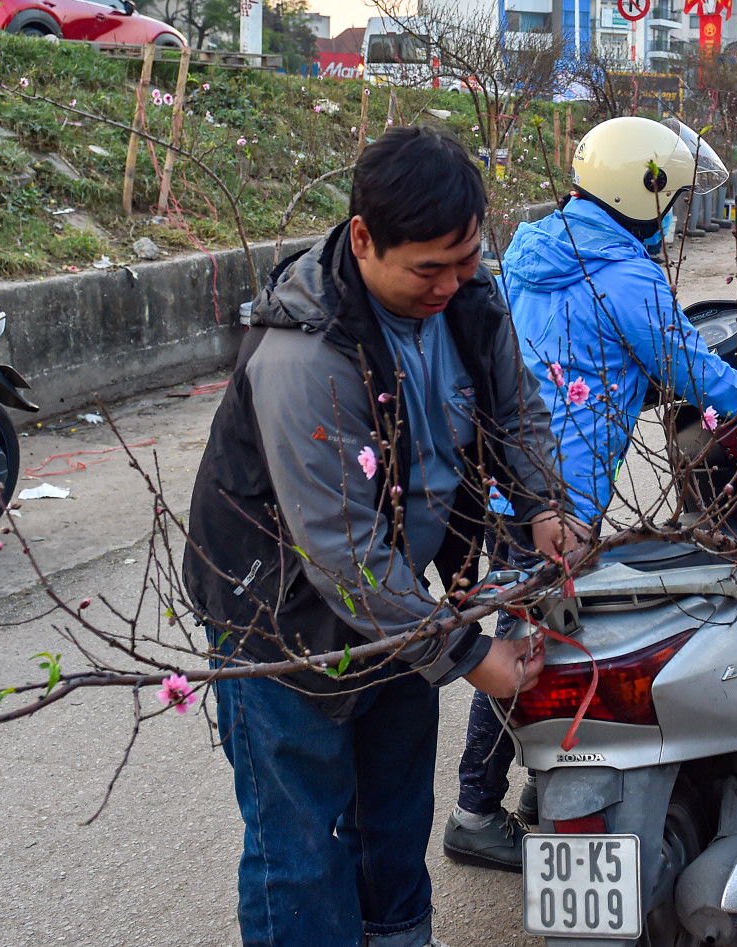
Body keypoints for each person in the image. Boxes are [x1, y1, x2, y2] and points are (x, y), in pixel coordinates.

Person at [183, 125, 571, 947]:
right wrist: (471, 655)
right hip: (280, 623)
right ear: (363, 238)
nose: (452, 282)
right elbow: (343, 551)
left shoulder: (470, 299)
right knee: (298, 842)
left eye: (465, 258)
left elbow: (517, 411)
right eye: (429, 267)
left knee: (394, 817)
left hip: (402, 605)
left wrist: (544, 504)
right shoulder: (305, 352)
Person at [440, 115, 737, 870]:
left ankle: (541, 788)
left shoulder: (537, 248)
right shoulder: (626, 277)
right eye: (674, 199)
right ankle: (473, 808)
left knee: (540, 634)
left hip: (508, 478)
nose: (676, 214)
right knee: (535, 643)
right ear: (644, 192)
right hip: (560, 496)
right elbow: (699, 376)